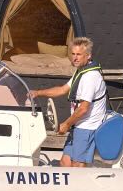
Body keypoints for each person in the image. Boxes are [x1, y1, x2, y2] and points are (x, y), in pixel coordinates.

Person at [29, 37, 107, 167]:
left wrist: (66, 124)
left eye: (79, 55)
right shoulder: (80, 72)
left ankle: (81, 187)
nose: (75, 58)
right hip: (78, 125)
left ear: (88, 56)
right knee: (65, 162)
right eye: (73, 54)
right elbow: (62, 90)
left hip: (87, 127)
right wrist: (37, 93)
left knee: (77, 165)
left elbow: (83, 108)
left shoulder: (90, 77)